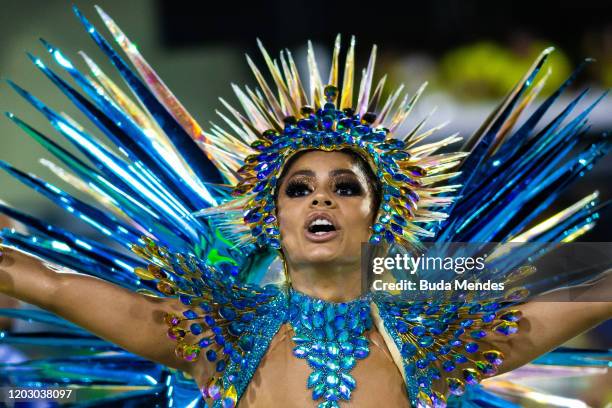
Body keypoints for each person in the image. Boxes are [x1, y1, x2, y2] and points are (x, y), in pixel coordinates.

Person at [0, 5, 610, 408]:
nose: (321, 196)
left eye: (346, 187)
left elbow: (592, 292)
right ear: (274, 219)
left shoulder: (433, 339)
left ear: (382, 215)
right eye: (299, 188)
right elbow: (48, 286)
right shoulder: (220, 333)